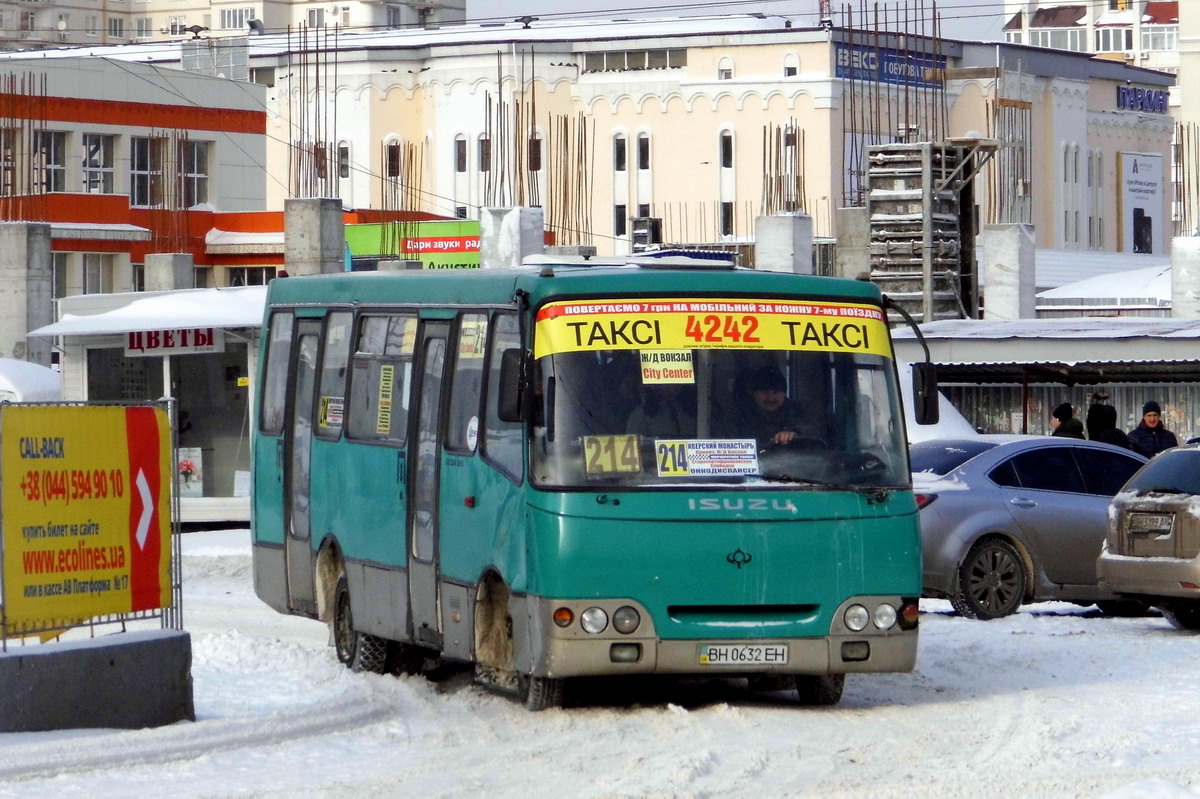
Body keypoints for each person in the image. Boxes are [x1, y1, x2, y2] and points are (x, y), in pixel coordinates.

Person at [731, 365, 821, 450]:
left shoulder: (798, 410)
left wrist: (795, 432)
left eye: (776, 392)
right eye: (764, 392)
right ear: (754, 393)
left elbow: (816, 428)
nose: (770, 398)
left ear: (784, 394)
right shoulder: (738, 415)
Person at [626, 382, 696, 437]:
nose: (672, 388)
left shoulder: (694, 411)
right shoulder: (639, 415)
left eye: (677, 384)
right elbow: (635, 449)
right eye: (667, 383)